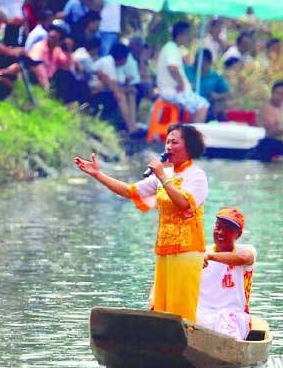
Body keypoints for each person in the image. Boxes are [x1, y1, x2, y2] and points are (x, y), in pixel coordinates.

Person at [75, 124, 208, 321]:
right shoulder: (166, 176)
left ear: (188, 146)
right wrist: (97, 174)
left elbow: (184, 204)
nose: (168, 146)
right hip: (164, 250)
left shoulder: (196, 176)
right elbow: (130, 191)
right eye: (167, 142)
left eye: (174, 142)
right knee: (162, 308)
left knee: (181, 309)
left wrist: (162, 176)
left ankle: (187, 341)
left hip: (187, 251)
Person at [197, 208, 256, 340]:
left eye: (228, 229)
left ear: (238, 235)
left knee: (225, 316)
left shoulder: (247, 251)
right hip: (201, 315)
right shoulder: (199, 253)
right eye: (218, 227)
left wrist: (210, 257)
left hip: (233, 318)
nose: (221, 232)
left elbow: (244, 259)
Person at [155, 21, 209, 123]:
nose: (189, 37)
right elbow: (173, 68)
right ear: (181, 34)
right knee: (203, 105)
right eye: (188, 34)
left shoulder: (172, 48)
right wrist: (181, 85)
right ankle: (194, 137)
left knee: (196, 106)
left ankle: (190, 133)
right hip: (172, 92)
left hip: (172, 91)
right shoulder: (171, 47)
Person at [93, 42, 140, 132]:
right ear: (123, 58)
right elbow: (114, 87)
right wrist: (125, 88)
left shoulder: (118, 66)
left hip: (107, 89)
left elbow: (119, 84)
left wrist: (127, 84)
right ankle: (130, 127)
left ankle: (133, 124)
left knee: (131, 92)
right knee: (120, 96)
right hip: (97, 91)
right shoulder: (107, 63)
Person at [191, 49, 230, 119]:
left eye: (204, 62)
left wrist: (217, 96)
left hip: (208, 110)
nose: (200, 65)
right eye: (197, 61)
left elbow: (228, 93)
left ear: (209, 62)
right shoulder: (187, 71)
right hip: (187, 107)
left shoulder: (215, 77)